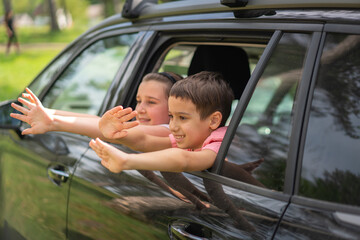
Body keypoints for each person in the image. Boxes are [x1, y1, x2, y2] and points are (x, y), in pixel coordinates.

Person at [90, 71, 235, 173]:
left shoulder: (220, 142)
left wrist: (127, 160)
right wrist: (118, 134)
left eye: (183, 118)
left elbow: (185, 160)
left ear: (214, 120)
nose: (173, 126)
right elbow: (145, 142)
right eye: (171, 116)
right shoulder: (191, 138)